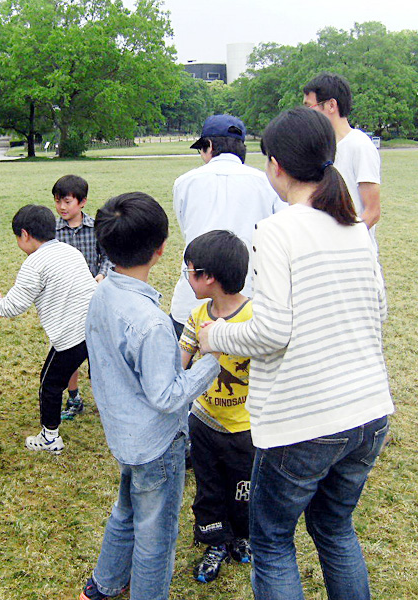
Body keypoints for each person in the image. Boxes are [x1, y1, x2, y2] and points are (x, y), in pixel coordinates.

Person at [199, 107, 394, 600]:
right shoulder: (353, 227)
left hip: (306, 423)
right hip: (370, 413)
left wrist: (214, 336)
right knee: (334, 527)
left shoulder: (277, 230)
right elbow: (379, 308)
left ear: (276, 165)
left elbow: (271, 333)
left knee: (272, 540)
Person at [79, 192, 221, 600]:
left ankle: (104, 584)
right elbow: (167, 396)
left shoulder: (103, 293)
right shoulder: (153, 324)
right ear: (161, 250)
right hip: (157, 445)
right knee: (156, 536)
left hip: (125, 436)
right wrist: (212, 360)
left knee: (126, 509)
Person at [0, 205, 96, 454]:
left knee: (49, 384)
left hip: (71, 335)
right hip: (94, 326)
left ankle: (50, 438)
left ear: (25, 234)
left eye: (17, 237)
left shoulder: (34, 263)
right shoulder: (70, 251)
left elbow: (14, 306)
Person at [177, 230, 254, 583]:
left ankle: (242, 535)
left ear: (208, 277)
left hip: (246, 429)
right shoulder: (196, 315)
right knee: (208, 486)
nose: (187, 277)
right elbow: (181, 363)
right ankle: (214, 540)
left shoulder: (256, 316)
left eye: (189, 271)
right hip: (205, 421)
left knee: (243, 487)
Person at [170, 114, 284, 337]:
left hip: (193, 299)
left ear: (209, 146)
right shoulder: (266, 182)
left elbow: (187, 230)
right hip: (249, 299)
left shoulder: (185, 182)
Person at [50, 174, 112, 420]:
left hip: (94, 300)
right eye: (57, 201)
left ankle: (107, 399)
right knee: (68, 351)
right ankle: (73, 397)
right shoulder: (52, 231)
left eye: (67, 201)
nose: (62, 207)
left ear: (83, 202)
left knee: (98, 352)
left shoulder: (97, 228)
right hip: (65, 302)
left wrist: (102, 275)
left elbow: (108, 257)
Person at [303, 73, 381, 247]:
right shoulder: (319, 148)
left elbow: (373, 211)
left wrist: (343, 242)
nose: (306, 115)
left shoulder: (359, 145)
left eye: (310, 107)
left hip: (354, 255)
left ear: (331, 105)